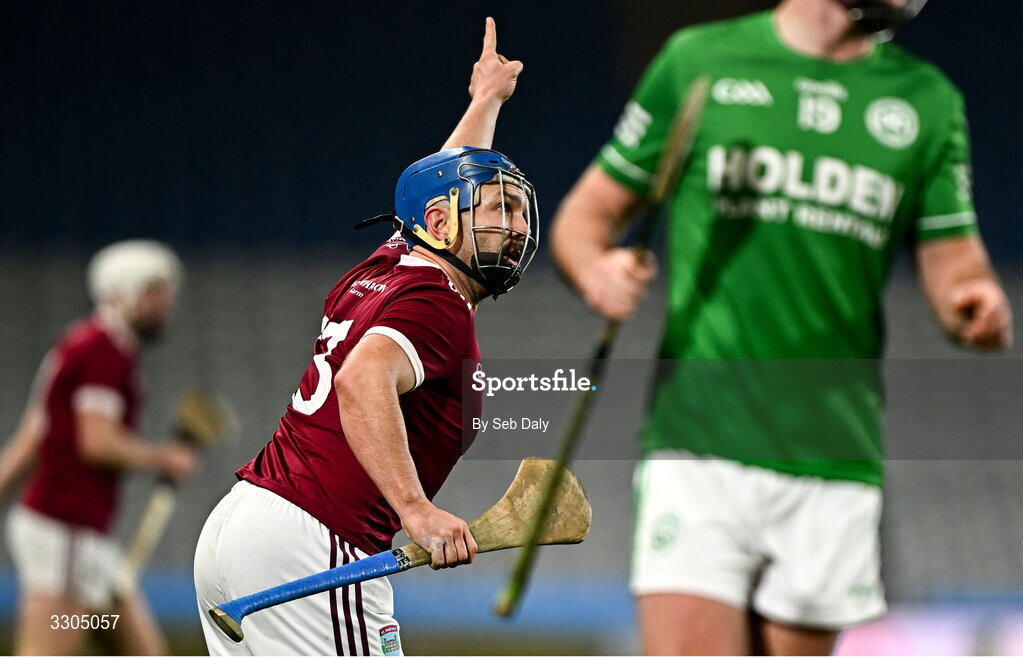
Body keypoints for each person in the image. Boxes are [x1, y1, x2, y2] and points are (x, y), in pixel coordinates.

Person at [551, 0, 1012, 655]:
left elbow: (953, 262)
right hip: (698, 440)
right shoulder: (699, 61)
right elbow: (585, 215)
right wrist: (596, 269)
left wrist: (975, 302)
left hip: (832, 455)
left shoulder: (925, 99)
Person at [193, 17, 537, 656]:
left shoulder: (386, 269)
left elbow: (436, 193)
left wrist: (484, 101)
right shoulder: (437, 301)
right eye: (497, 209)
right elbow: (361, 380)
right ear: (441, 223)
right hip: (317, 542)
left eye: (517, 210)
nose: (514, 227)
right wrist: (417, 511)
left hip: (240, 526)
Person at [0, 239, 197, 655]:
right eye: (154, 292)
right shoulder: (104, 350)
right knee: (45, 653)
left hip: (76, 536)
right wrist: (165, 456)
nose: (165, 304)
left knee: (144, 651)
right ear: (122, 292)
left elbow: (32, 438)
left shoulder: (84, 343)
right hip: (64, 530)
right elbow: (97, 441)